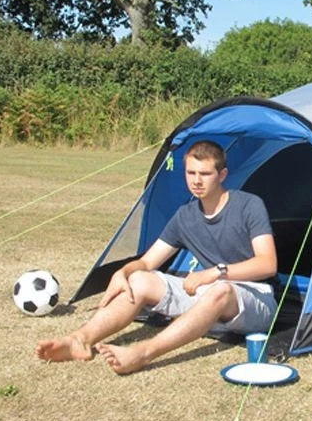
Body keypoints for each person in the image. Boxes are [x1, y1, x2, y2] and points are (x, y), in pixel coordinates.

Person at [35, 140, 278, 375]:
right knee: (140, 279)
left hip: (255, 299)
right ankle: (80, 340)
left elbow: (267, 264)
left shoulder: (248, 205)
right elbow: (147, 262)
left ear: (222, 175)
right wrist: (122, 273)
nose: (196, 181)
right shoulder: (185, 216)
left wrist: (216, 272)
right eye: (191, 172)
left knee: (221, 290)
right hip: (208, 295)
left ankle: (142, 353)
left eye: (205, 174)